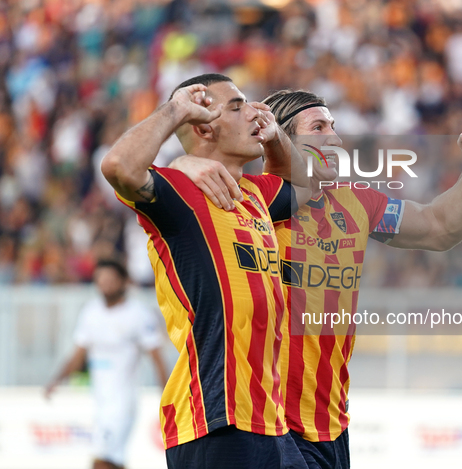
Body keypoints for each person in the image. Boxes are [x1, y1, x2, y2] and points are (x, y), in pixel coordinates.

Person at [171, 89, 462, 469]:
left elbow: (440, 227)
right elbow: (156, 188)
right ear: (282, 139)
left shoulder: (357, 203)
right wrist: (185, 164)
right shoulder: (246, 200)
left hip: (331, 424)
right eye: (319, 127)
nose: (336, 138)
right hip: (266, 421)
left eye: (334, 126)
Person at [100, 74, 311, 469]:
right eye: (237, 106)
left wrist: (276, 137)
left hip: (270, 420)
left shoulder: (254, 193)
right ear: (202, 127)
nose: (255, 111)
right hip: (214, 416)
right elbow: (118, 166)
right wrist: (177, 108)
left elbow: (302, 187)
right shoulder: (178, 189)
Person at [45, 259, 168, 469]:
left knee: (102, 461)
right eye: (101, 279)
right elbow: (79, 354)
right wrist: (56, 380)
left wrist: (166, 395)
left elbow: (156, 357)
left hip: (122, 404)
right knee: (113, 461)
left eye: (111, 279)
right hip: (100, 403)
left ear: (123, 282)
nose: (105, 284)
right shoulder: (91, 312)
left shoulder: (138, 314)